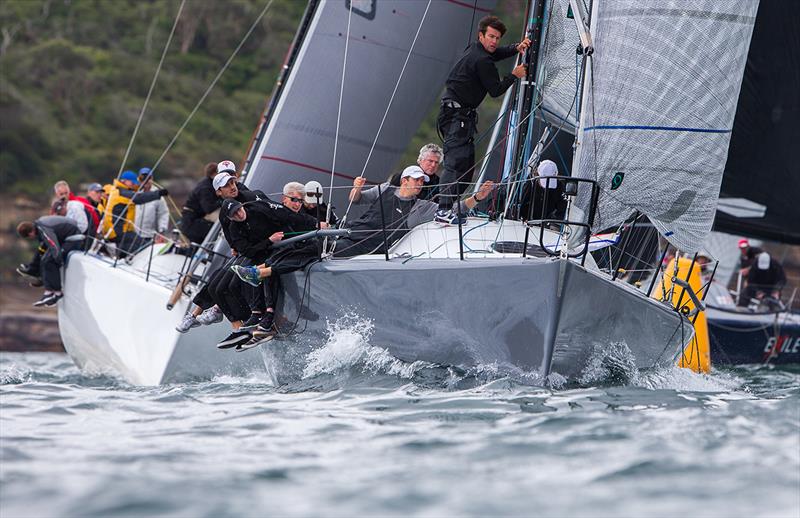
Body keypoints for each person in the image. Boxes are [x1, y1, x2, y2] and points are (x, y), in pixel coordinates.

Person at [434, 15, 530, 224]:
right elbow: (495, 90)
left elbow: (495, 54)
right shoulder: (482, 60)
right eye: (491, 37)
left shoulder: (477, 49)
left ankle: (450, 207)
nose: (495, 41)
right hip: (455, 117)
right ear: (481, 35)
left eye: (497, 38)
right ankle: (442, 210)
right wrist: (514, 75)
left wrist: (516, 47)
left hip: (460, 116)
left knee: (467, 166)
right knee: (454, 163)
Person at [228, 183, 324, 348]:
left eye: (300, 201)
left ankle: (270, 316)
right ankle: (258, 319)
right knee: (232, 283)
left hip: (298, 255)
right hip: (279, 257)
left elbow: (308, 222)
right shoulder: (274, 211)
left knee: (284, 261)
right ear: (284, 199)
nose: (297, 204)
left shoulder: (305, 213)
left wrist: (320, 224)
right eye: (293, 200)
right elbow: (248, 248)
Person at [337, 166, 494, 257]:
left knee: (321, 248)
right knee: (317, 242)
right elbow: (355, 199)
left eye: (422, 181)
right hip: (352, 232)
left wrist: (477, 197)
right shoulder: (385, 189)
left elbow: (455, 208)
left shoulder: (422, 207)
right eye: (416, 180)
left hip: (369, 249)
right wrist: (356, 188)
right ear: (404, 180)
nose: (420, 183)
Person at [16, 216, 83, 307]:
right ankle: (34, 271)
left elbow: (53, 244)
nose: (32, 238)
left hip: (74, 238)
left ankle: (56, 293)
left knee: (49, 261)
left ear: (30, 233)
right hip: (65, 238)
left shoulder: (43, 228)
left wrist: (57, 261)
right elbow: (43, 247)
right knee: (44, 255)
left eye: (29, 237)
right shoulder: (38, 225)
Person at [100, 170, 169, 257]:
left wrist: (143, 181)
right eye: (132, 182)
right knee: (144, 247)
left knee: (136, 246)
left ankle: (120, 255)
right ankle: (111, 250)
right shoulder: (122, 193)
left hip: (123, 231)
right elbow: (139, 198)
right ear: (123, 181)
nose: (134, 184)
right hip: (120, 232)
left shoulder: (118, 190)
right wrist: (158, 193)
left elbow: (137, 191)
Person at [179, 162, 224, 244]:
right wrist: (222, 201)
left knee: (211, 231)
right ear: (214, 174)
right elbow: (208, 208)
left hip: (192, 220)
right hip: (191, 222)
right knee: (214, 232)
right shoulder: (205, 188)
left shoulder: (209, 184)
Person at [134, 168, 170, 242]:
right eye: (143, 178)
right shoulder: (134, 194)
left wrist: (161, 232)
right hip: (133, 235)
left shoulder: (158, 195)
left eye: (148, 177)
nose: (146, 180)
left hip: (149, 236)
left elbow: (163, 214)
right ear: (139, 179)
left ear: (152, 178)